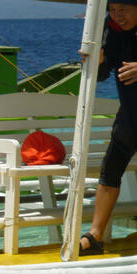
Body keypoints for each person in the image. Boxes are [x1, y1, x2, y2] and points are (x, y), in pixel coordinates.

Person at [79, 0, 137, 255]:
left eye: (123, 9)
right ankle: (95, 236)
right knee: (110, 169)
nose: (118, 15)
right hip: (130, 115)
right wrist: (95, 63)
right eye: (113, 9)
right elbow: (103, 72)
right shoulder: (111, 29)